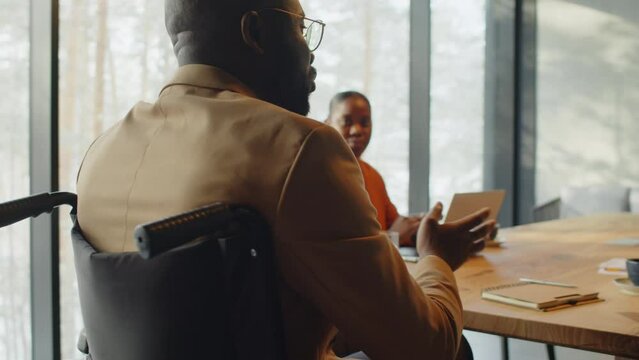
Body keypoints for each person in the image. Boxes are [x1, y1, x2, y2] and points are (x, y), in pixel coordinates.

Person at [76, 1, 495, 359]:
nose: (311, 52)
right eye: (300, 28)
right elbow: (427, 347)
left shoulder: (99, 155)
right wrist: (436, 257)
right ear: (255, 31)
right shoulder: (299, 146)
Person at [325, 91, 421, 247]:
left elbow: (394, 225)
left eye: (365, 123)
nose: (357, 131)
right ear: (327, 124)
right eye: (347, 122)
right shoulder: (321, 175)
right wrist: (393, 237)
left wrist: (418, 227)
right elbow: (338, 245)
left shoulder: (373, 175)